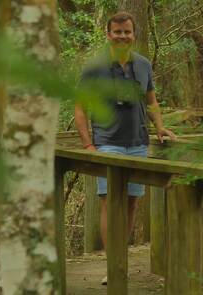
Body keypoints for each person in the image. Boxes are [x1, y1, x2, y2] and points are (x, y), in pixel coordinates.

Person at [74, 11, 176, 285]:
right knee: (110, 203)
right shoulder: (94, 67)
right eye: (117, 32)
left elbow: (152, 101)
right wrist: (88, 144)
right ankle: (113, 264)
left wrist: (160, 127)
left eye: (127, 32)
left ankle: (121, 257)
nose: (122, 36)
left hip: (138, 143)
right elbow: (80, 108)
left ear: (134, 34)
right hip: (108, 143)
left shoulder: (143, 65)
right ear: (108, 35)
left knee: (131, 204)